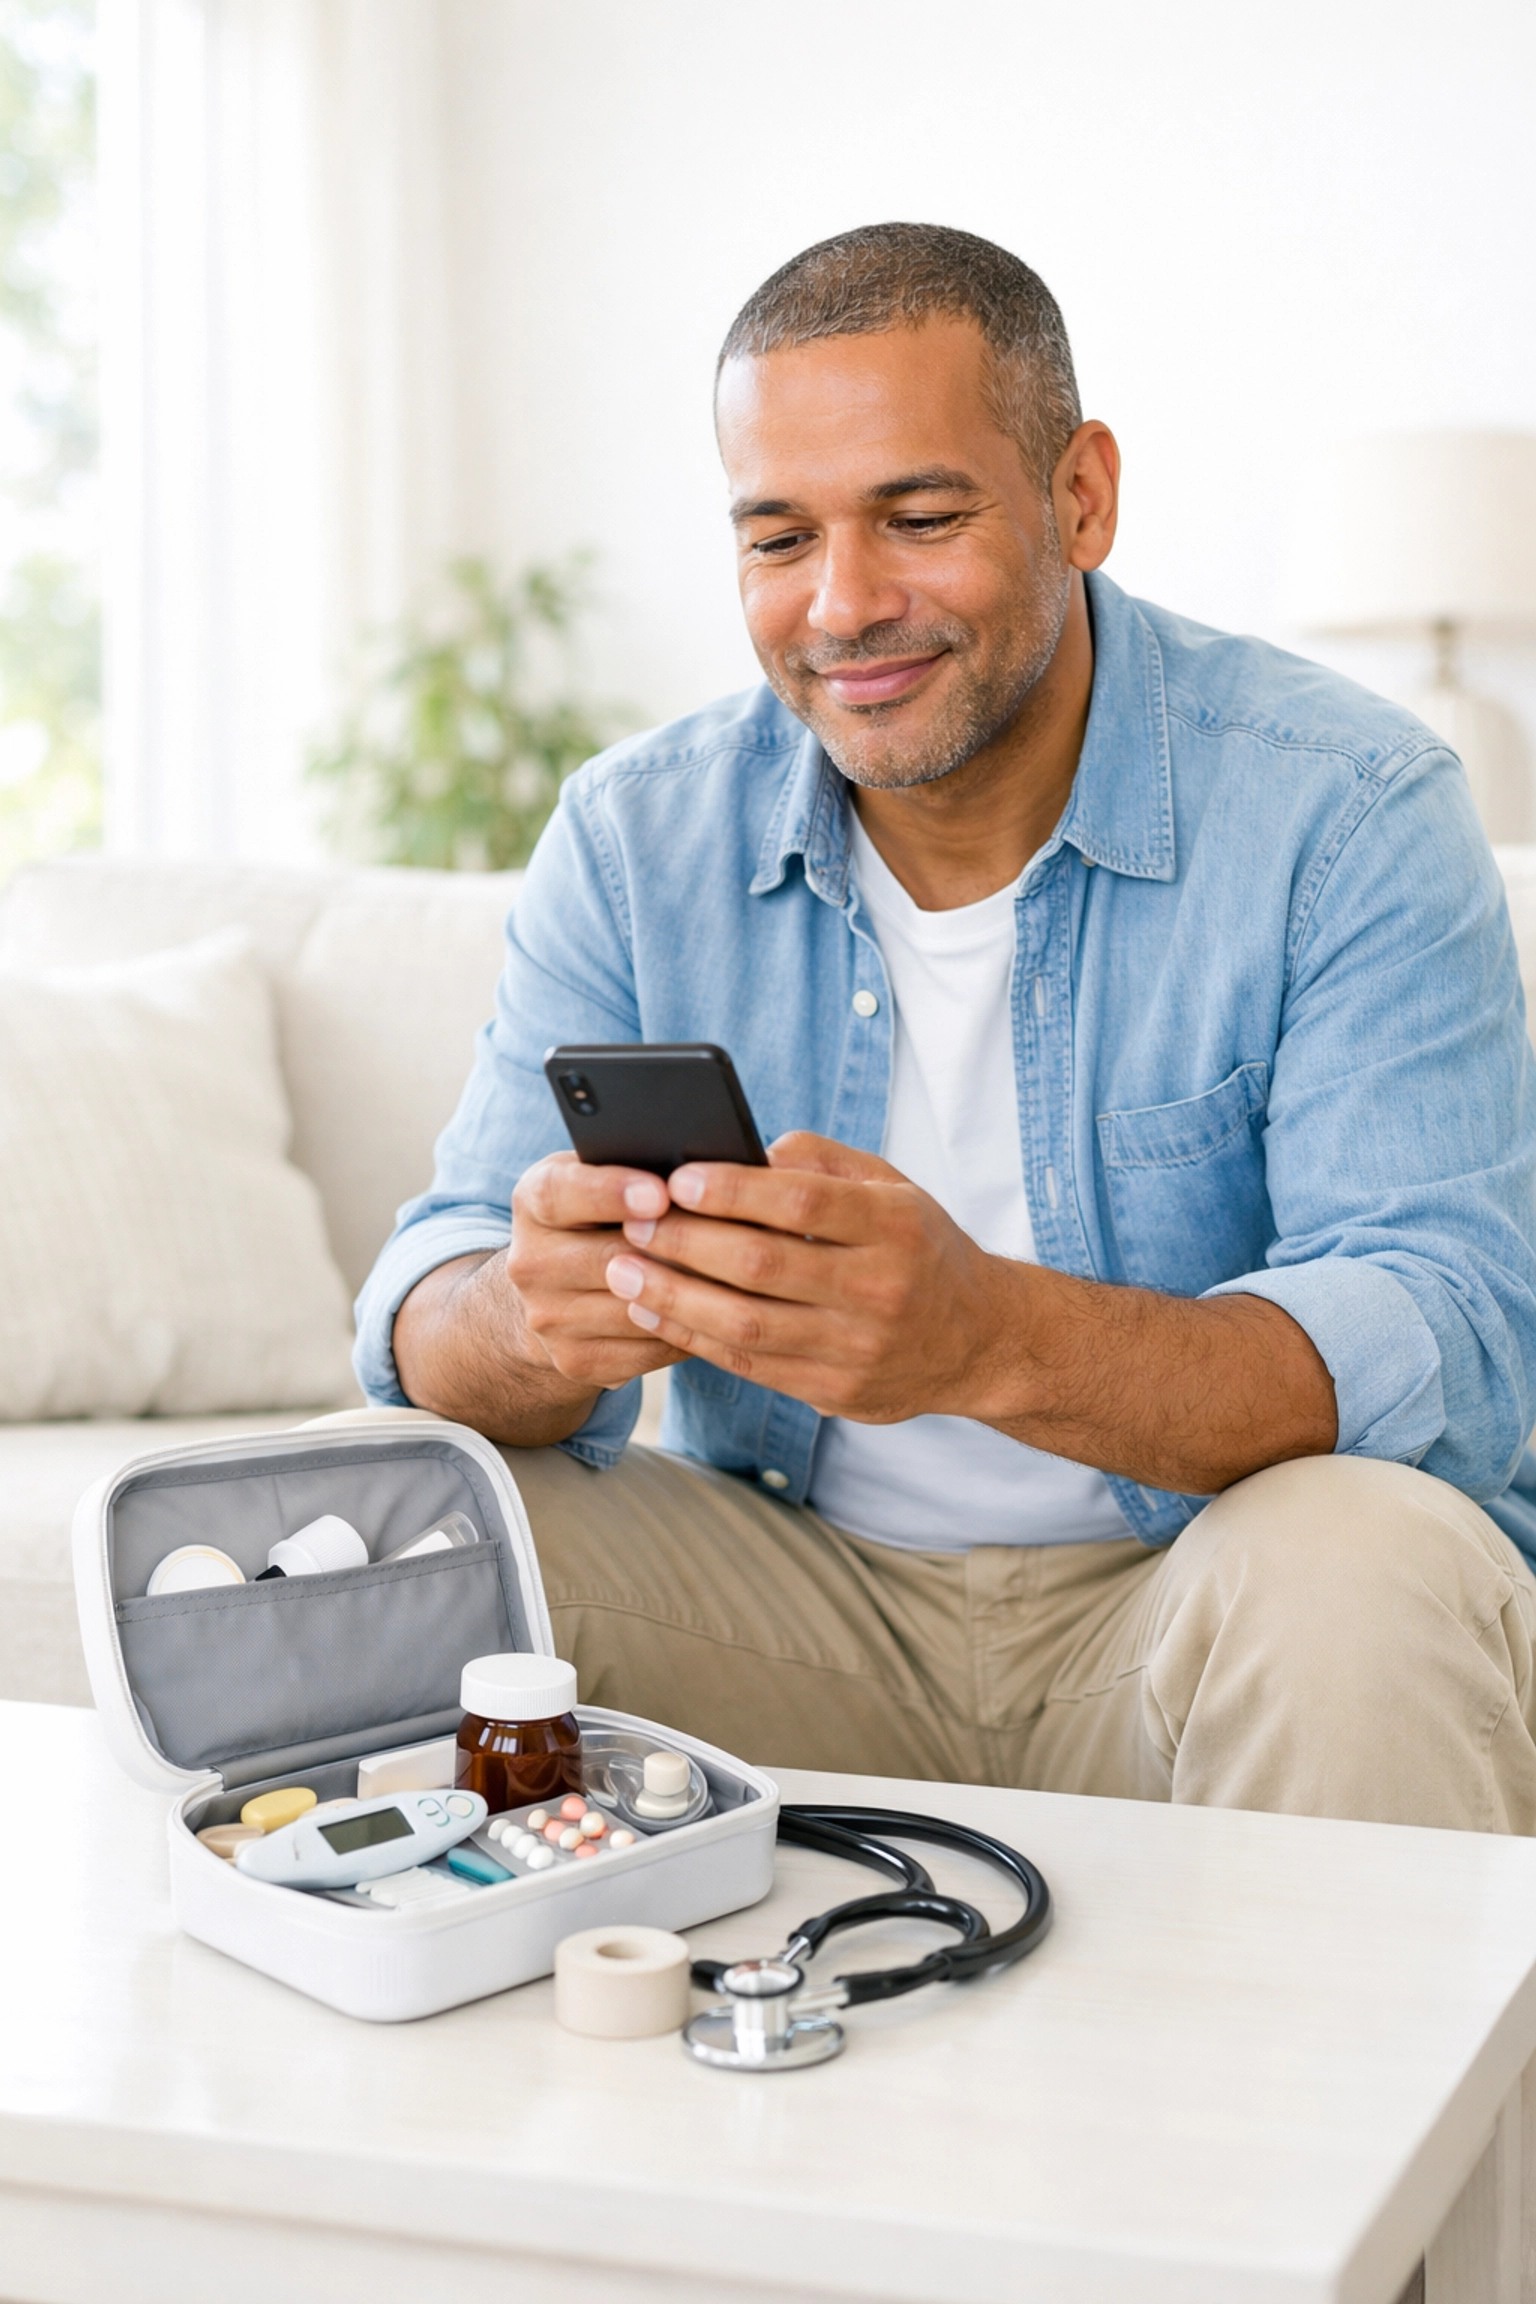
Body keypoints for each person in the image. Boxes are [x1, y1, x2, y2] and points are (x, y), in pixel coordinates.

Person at [357, 222, 1536, 1831]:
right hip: (788, 1607)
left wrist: (983, 1337)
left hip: (1186, 1602)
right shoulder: (638, 838)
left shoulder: (1348, 811)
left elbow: (1453, 1331)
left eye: (918, 517)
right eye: (778, 539)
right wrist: (529, 1313)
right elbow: (431, 1298)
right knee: (391, 1526)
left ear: (1080, 499)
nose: (844, 606)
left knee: (1368, 1558)